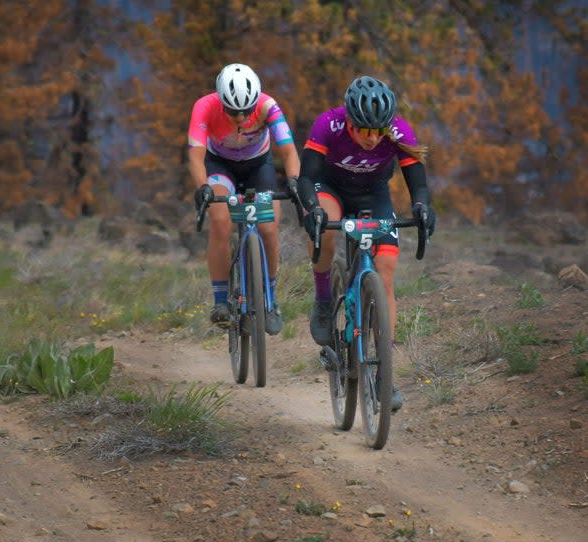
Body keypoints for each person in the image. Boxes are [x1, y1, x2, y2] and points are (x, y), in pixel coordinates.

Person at [297, 75, 436, 411]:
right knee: (326, 233)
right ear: (349, 121)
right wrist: (313, 210)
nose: (374, 138)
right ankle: (324, 299)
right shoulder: (327, 125)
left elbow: (417, 184)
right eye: (365, 130)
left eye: (380, 131)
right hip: (330, 189)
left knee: (385, 270)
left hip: (374, 196)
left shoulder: (399, 131)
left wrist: (421, 208)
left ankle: (382, 376)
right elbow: (306, 178)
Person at [187, 63, 300, 335]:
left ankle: (270, 302)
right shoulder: (204, 106)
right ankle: (220, 302)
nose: (239, 117)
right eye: (232, 111)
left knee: (269, 227)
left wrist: (294, 181)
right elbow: (195, 154)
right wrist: (202, 186)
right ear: (221, 102)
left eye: (246, 111)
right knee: (220, 221)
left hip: (258, 166)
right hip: (220, 165)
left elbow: (288, 151)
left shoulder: (268, 106)